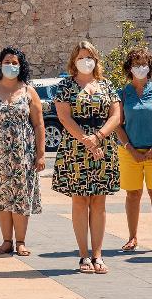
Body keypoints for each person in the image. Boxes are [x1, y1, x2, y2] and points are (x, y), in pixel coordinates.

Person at [52, 40, 122, 274]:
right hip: (76, 147)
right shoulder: (65, 86)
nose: (85, 61)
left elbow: (116, 115)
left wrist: (98, 137)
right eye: (81, 57)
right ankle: (83, 256)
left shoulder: (107, 85)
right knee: (80, 200)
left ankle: (98, 255)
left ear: (96, 60)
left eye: (89, 56)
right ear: (74, 60)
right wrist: (87, 140)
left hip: (103, 146)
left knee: (99, 201)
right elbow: (64, 117)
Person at [0, 46, 44, 256]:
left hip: (22, 153)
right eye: (7, 62)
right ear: (0, 65)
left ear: (21, 66)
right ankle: (6, 241)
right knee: (2, 195)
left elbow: (38, 124)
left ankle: (21, 241)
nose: (10, 66)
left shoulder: (28, 91)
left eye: (15, 63)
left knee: (21, 196)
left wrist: (40, 154)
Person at [114, 47, 152, 255]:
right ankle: (132, 238)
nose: (140, 68)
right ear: (129, 68)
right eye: (136, 64)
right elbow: (118, 124)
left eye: (144, 64)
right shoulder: (122, 93)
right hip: (130, 151)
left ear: (149, 67)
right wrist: (130, 149)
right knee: (133, 195)